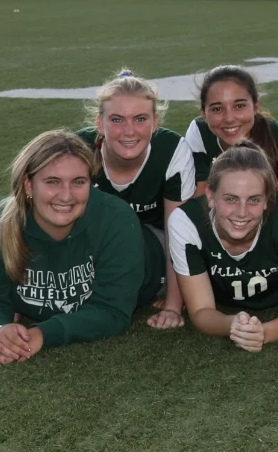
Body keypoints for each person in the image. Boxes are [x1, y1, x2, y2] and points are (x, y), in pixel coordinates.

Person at [0, 130, 163, 364]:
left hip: (160, 260)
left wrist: (40, 334)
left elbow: (112, 311)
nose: (66, 196)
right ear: (28, 185)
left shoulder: (117, 220)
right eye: (52, 182)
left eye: (78, 182)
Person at [168, 143, 278, 351]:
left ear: (267, 199)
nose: (241, 212)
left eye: (254, 200)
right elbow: (201, 311)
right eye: (231, 199)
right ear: (210, 196)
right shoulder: (186, 222)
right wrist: (233, 325)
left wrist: (264, 332)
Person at [75, 69, 195, 330]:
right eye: (117, 120)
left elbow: (179, 232)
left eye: (140, 119)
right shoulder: (77, 148)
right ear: (99, 123)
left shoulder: (172, 150)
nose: (129, 131)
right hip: (97, 238)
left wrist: (174, 305)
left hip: (156, 239)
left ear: (154, 122)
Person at [183, 65, 278, 191]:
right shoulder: (199, 132)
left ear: (255, 107)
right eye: (217, 109)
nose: (229, 118)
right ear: (204, 114)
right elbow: (200, 199)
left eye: (239, 106)